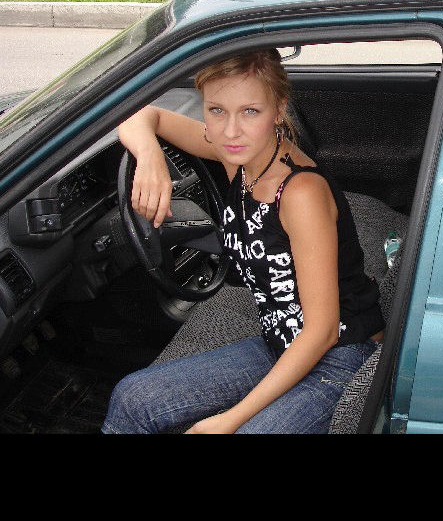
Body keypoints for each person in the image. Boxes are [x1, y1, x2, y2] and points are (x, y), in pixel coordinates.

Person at [101, 48, 385, 434]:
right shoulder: (237, 156)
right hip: (280, 340)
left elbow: (322, 330)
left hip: (341, 353)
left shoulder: (300, 193)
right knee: (132, 399)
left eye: (250, 111)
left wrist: (229, 420)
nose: (230, 130)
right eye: (216, 110)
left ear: (279, 109)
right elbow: (143, 116)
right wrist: (150, 157)